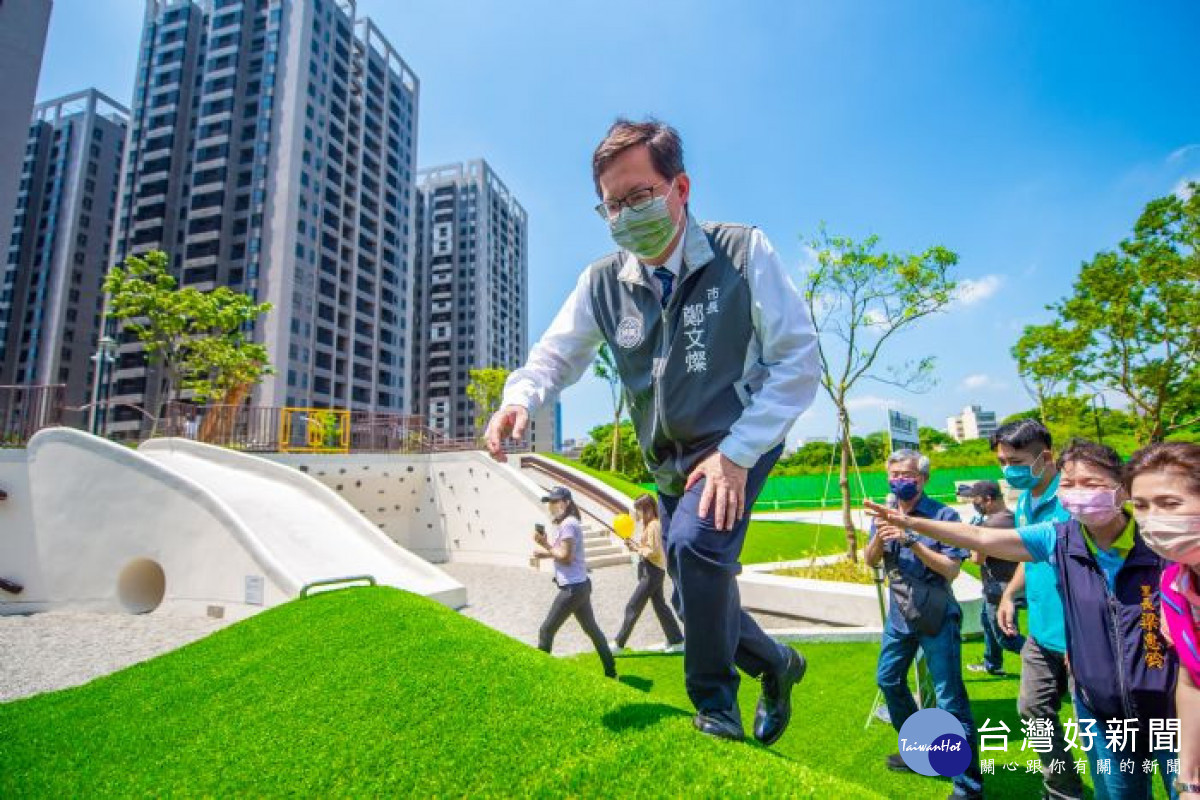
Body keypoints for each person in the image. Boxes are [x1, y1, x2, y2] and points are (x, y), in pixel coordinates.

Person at [484, 118, 820, 744]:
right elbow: (556, 356)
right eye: (611, 204)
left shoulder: (743, 251)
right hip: (666, 460)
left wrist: (738, 453)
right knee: (694, 598)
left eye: (639, 195)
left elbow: (799, 362)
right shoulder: (602, 283)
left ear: (680, 187)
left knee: (694, 545)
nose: (625, 214)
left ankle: (716, 708)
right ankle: (778, 664)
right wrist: (520, 400)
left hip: (734, 441)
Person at [866, 439, 1180, 799]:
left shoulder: (1160, 544)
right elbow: (983, 537)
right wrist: (900, 523)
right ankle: (1059, 787)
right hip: (1101, 704)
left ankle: (971, 785)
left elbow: (963, 556)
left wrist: (911, 534)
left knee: (1182, 784)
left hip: (1169, 704)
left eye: (1091, 484)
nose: (1078, 494)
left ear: (1122, 488)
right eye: (1069, 484)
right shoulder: (1058, 537)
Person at [864, 449, 984, 800]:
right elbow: (871, 562)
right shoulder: (885, 511)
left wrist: (910, 539)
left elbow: (950, 569)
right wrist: (879, 536)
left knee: (950, 699)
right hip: (899, 616)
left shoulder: (943, 515)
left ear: (924, 479)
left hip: (936, 616)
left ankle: (968, 785)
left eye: (907, 475)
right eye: (894, 474)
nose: (899, 480)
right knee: (888, 679)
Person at [991, 419, 1082, 800]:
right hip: (1042, 632)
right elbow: (1029, 554)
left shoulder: (1075, 500)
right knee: (1032, 710)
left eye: (1014, 460)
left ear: (1045, 457)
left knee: (1100, 727)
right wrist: (1009, 594)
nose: (1007, 470)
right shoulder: (1026, 501)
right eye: (1001, 461)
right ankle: (1062, 788)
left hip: (1082, 636)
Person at [1127, 441, 1200, 798]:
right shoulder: (1174, 584)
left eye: (1170, 504)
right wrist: (1188, 779)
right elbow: (1191, 680)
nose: (1152, 518)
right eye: (1141, 506)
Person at [532, 486, 617, 679]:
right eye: (550, 502)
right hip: (581, 586)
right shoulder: (570, 523)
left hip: (573, 589)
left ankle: (539, 678)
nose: (552, 506)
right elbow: (564, 552)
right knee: (592, 630)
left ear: (567, 503)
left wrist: (545, 545)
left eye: (555, 502)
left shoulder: (568, 524)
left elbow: (566, 556)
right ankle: (612, 673)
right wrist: (546, 551)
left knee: (546, 630)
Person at [961, 480, 1026, 676]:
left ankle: (1046, 660)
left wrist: (971, 539)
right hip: (1002, 584)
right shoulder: (1011, 517)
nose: (973, 503)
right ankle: (992, 663)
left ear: (988, 499)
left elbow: (977, 559)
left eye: (975, 499)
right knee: (988, 624)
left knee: (1005, 636)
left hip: (1001, 587)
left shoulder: (991, 525)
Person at [609, 494, 685, 654]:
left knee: (633, 606)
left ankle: (619, 644)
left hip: (652, 572)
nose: (636, 514)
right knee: (660, 606)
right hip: (652, 570)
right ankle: (677, 640)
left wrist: (637, 548)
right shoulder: (650, 525)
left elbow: (653, 551)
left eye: (638, 510)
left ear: (647, 509)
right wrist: (636, 545)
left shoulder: (654, 526)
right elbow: (649, 548)